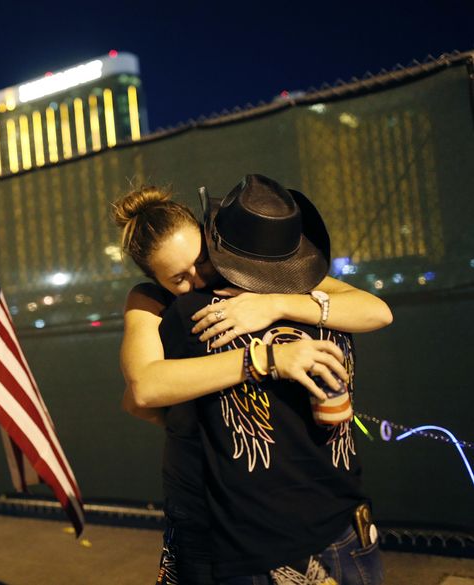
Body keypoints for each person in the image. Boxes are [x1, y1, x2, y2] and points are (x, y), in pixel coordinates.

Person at [114, 175, 391, 585]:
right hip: (245, 523)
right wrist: (264, 358)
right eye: (178, 278)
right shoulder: (158, 307)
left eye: (202, 260)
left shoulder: (278, 281)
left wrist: (274, 303)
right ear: (156, 282)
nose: (198, 278)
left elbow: (378, 311)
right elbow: (143, 389)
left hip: (321, 521)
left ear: (213, 241)